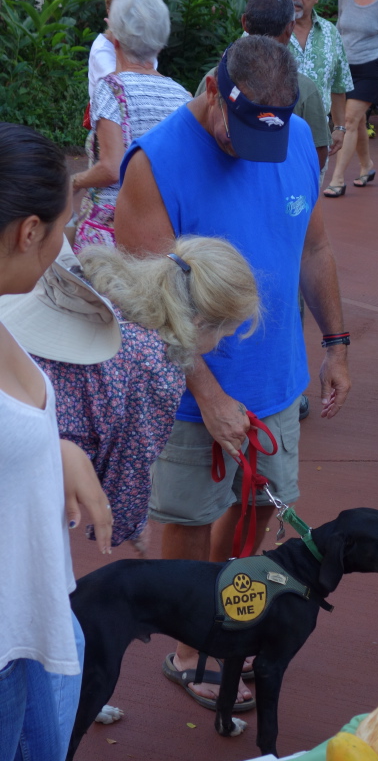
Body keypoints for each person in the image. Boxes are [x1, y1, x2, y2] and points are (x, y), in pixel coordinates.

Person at [113, 35, 351, 711]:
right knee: (187, 521)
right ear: (213, 89)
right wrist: (209, 394)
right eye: (240, 131)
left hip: (275, 380)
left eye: (266, 136)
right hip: (192, 392)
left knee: (254, 511)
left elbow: (316, 245)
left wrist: (336, 343)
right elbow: (152, 308)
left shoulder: (296, 136)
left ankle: (227, 617)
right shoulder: (154, 163)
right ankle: (187, 648)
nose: (252, 150)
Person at [0, 123, 112, 761]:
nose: (63, 254)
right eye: (62, 233)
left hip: (30, 620)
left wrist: (56, 448)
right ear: (29, 230)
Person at [0, 235, 260, 556]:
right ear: (199, 323)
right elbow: (131, 465)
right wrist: (131, 526)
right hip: (28, 459)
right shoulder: (158, 366)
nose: (220, 345)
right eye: (223, 335)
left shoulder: (113, 289)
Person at [73, 0, 191, 251]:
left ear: (114, 39)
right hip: (162, 233)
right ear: (161, 44)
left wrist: (75, 181)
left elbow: (111, 168)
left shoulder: (113, 89)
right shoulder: (183, 96)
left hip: (111, 233)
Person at [196, 0, 331, 171]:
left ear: (244, 22)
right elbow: (317, 155)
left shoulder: (215, 78)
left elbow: (198, 134)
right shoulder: (304, 87)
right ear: (290, 27)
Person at [323, 0, 378, 197]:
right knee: (357, 122)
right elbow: (340, 28)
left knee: (348, 120)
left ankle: (337, 179)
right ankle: (366, 165)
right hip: (344, 67)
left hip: (371, 67)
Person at [282, 0, 354, 158]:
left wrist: (339, 127)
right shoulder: (263, 27)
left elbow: (338, 85)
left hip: (316, 140)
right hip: (273, 134)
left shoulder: (330, 34)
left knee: (311, 186)